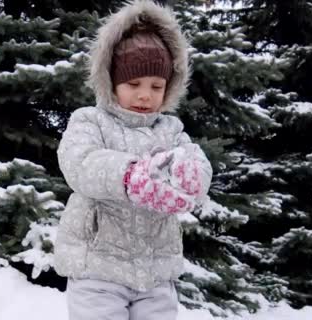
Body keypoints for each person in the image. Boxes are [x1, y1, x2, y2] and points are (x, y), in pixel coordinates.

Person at [54, 1, 213, 319]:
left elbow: (196, 161)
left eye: (156, 86)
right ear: (111, 81)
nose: (145, 95)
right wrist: (128, 176)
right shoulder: (90, 120)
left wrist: (193, 177)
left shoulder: (171, 129)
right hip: (96, 269)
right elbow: (80, 163)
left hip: (155, 273)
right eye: (133, 84)